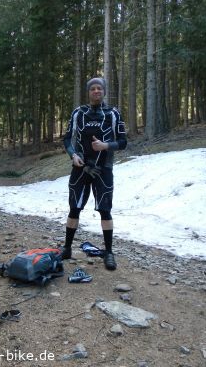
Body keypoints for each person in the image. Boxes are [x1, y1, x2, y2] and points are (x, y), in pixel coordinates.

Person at [62, 77, 127, 270]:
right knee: (74, 208)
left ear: (104, 91)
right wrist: (73, 155)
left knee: (105, 210)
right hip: (80, 168)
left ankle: (109, 252)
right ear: (88, 92)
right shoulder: (78, 113)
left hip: (104, 169)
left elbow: (123, 142)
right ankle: (66, 248)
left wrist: (106, 145)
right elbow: (67, 139)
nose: (96, 91)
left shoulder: (113, 113)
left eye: (100, 88)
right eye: (93, 89)